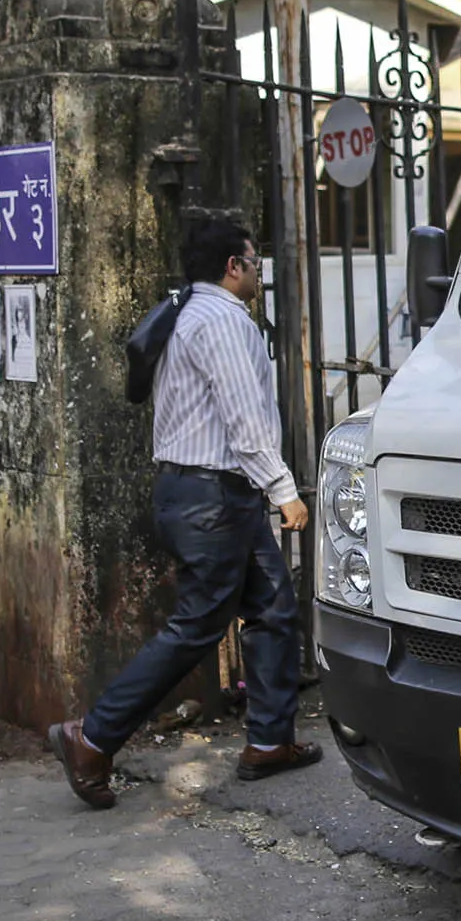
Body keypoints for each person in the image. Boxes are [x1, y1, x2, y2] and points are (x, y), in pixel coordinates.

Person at [48, 220, 321, 809]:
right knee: (196, 625)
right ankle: (91, 736)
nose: (258, 272)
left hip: (205, 494)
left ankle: (271, 741)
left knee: (273, 609)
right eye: (254, 261)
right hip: (215, 498)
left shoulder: (182, 314)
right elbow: (245, 418)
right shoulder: (224, 321)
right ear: (233, 265)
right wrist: (284, 490)